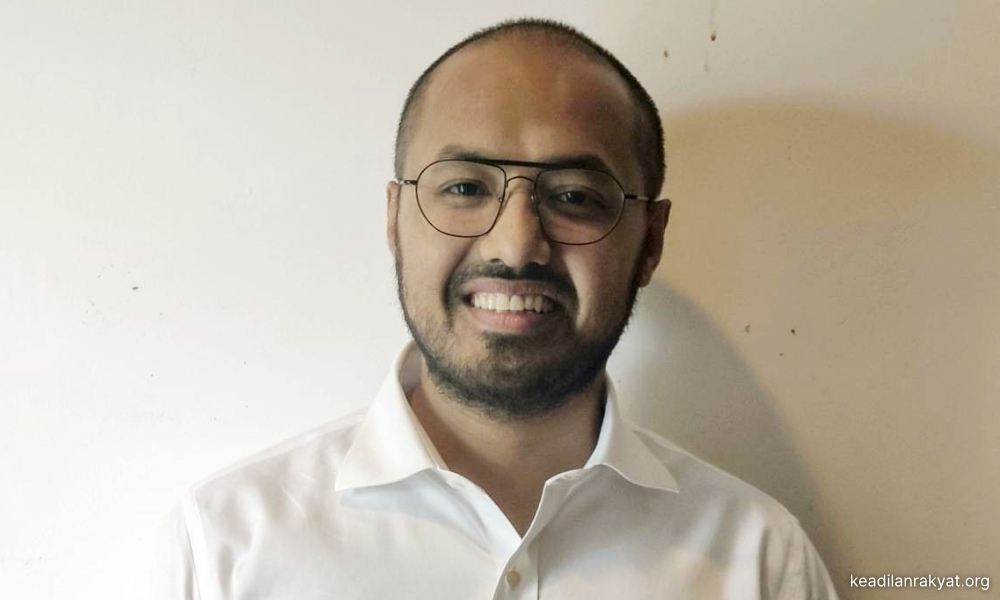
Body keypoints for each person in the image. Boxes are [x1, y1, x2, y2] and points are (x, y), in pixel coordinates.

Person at [146, 18, 839, 600]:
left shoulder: (760, 561)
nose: (516, 246)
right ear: (395, 220)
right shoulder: (224, 549)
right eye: (465, 188)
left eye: (574, 196)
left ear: (650, 241)